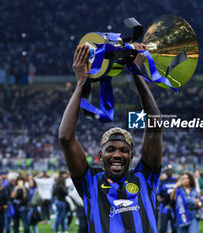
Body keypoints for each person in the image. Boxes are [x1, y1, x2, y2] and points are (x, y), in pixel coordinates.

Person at [59, 43, 163, 233]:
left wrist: (136, 73)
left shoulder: (144, 178)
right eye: (110, 149)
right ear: (100, 154)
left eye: (124, 150)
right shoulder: (90, 181)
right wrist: (81, 82)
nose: (117, 154)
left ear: (132, 156)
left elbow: (155, 126)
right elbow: (66, 138)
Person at [157, 167, 177, 233]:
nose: (169, 172)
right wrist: (161, 199)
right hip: (165, 207)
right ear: (165, 173)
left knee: (175, 227)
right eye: (167, 171)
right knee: (163, 228)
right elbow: (158, 194)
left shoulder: (176, 181)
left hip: (174, 207)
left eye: (170, 171)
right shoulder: (162, 182)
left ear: (173, 172)